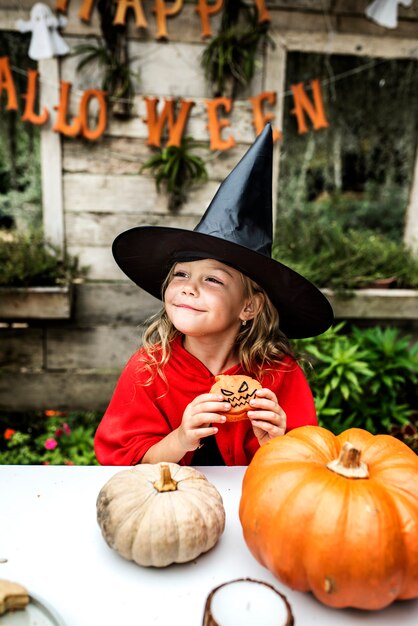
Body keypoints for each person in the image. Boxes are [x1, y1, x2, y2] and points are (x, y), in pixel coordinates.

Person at [94, 125, 334, 466]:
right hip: (169, 510)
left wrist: (277, 444)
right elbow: (125, 464)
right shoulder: (148, 369)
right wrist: (181, 438)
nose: (189, 287)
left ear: (249, 306)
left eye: (212, 280)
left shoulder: (279, 374)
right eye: (180, 274)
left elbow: (303, 469)